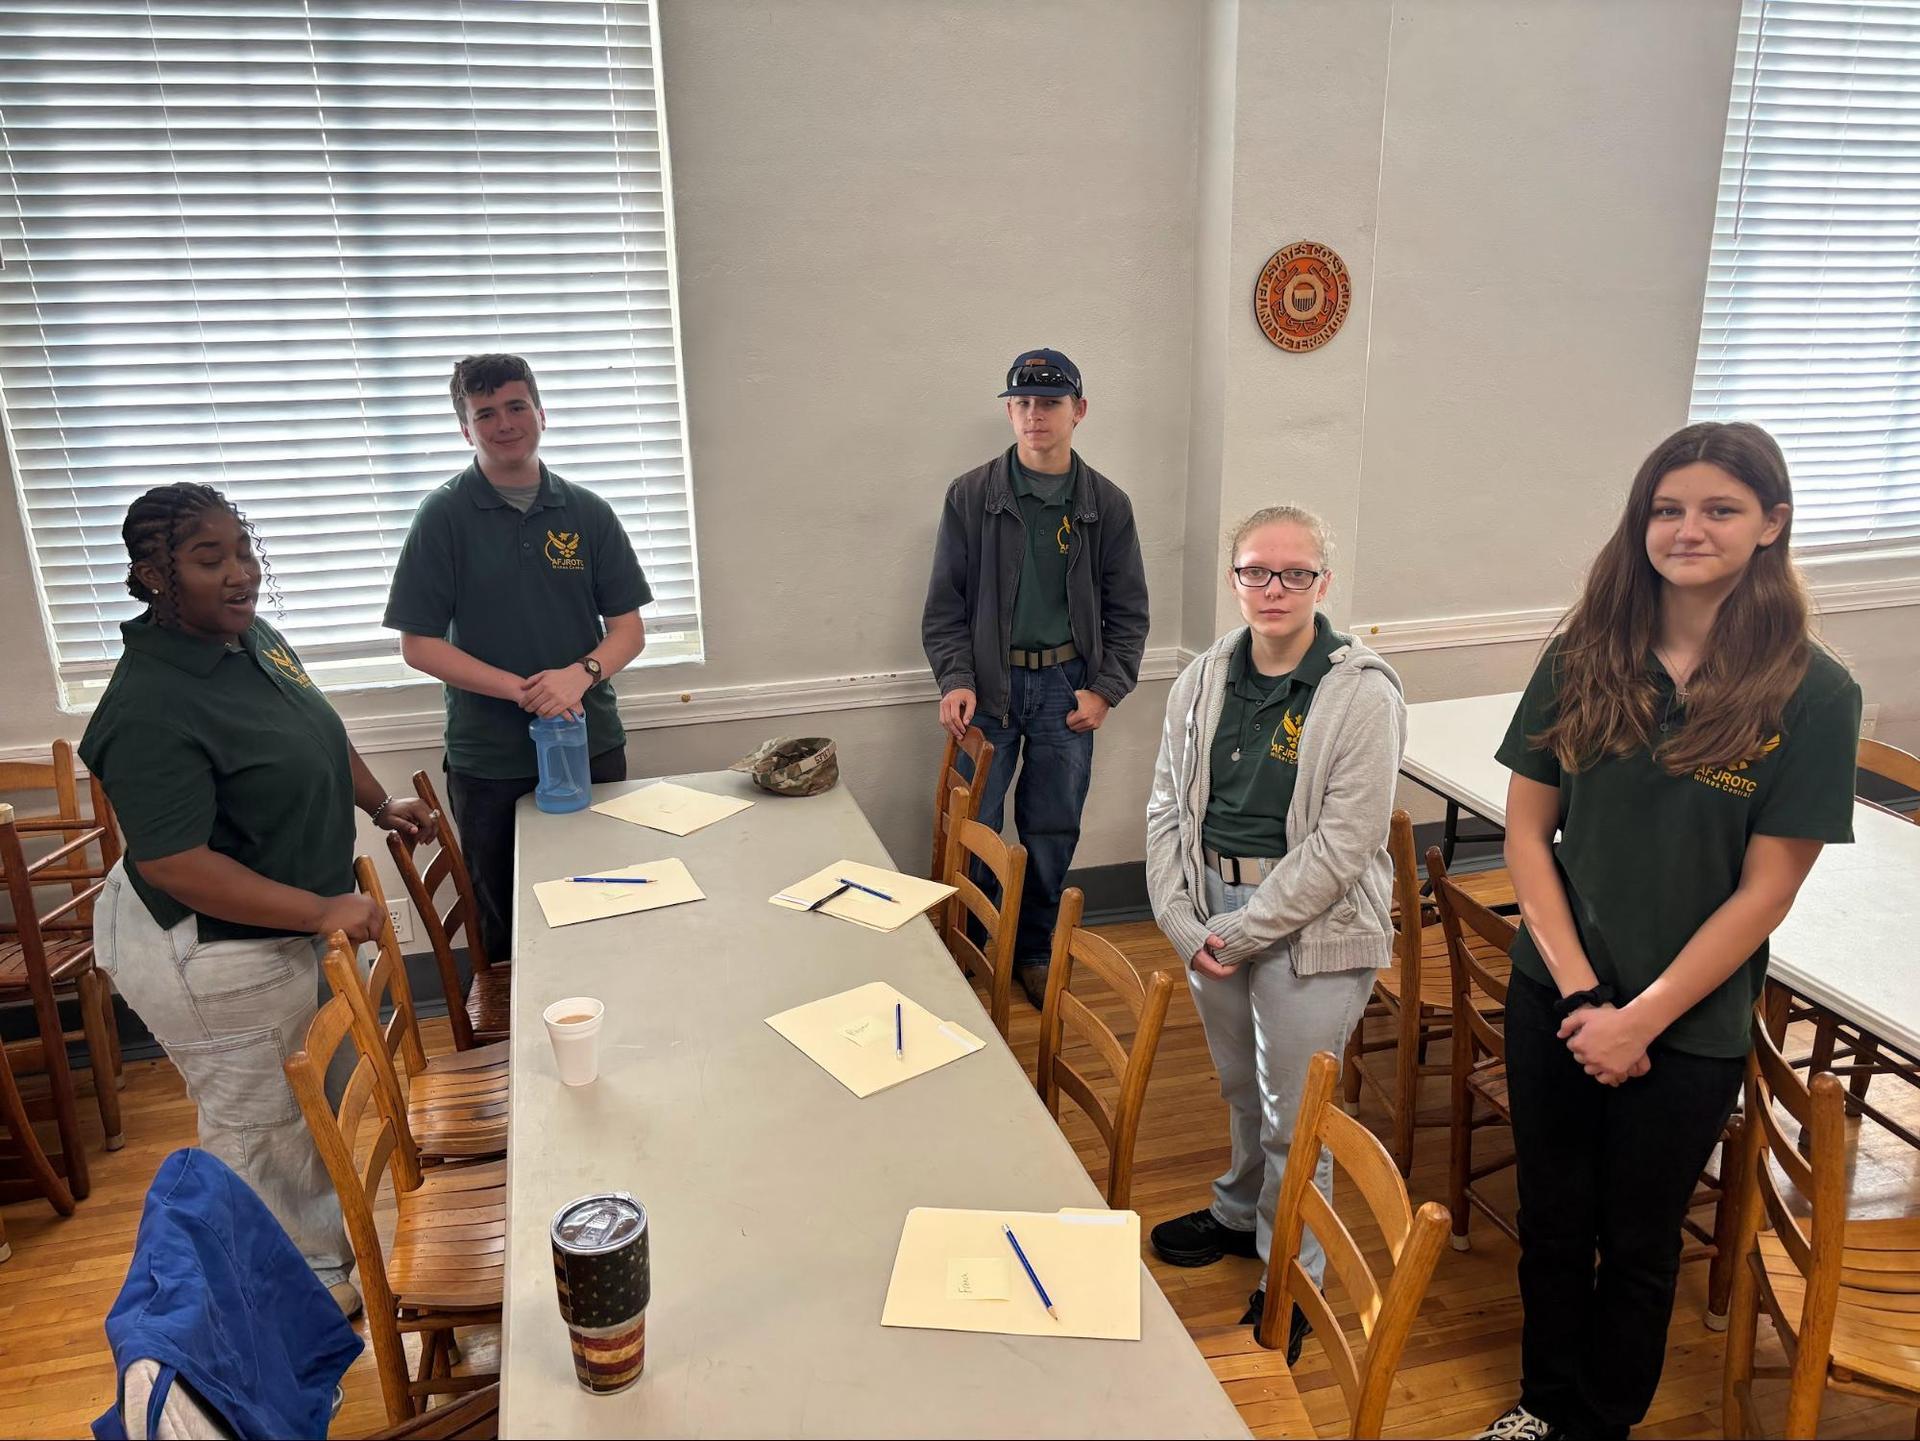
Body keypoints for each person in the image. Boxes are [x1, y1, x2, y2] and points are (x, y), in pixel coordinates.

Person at [1475, 422, 1860, 1441]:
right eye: (1667, 507)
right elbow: (1525, 830)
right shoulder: (1586, 650)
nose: (1688, 528)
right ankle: (1542, 1408)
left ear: (1772, 523)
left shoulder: (1814, 693)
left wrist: (1638, 1017)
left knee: (1639, 1243)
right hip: (1555, 997)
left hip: (1687, 1027)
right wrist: (1580, 994)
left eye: (1720, 508)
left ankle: (1600, 1424)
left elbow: (1764, 893)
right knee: (1554, 1223)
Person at [82, 482, 438, 1315]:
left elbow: (317, 728)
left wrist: (379, 803)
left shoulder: (249, 639)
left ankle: (319, 1271)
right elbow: (174, 862)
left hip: (283, 927)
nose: (240, 572)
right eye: (210, 559)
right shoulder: (148, 705)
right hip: (209, 952)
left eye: (242, 549)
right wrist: (319, 910)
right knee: (263, 1130)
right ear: (152, 575)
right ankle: (294, 1303)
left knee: (310, 1110)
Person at [1144, 505, 1405, 1361]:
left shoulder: (1360, 690)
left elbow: (1343, 845)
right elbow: (1164, 803)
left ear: (1324, 582)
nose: (1274, 588)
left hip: (1310, 924)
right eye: (1257, 570)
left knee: (1297, 1112)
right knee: (1240, 1085)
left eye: (1295, 573)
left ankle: (1292, 1271)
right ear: (1235, 579)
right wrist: (1182, 917)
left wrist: (1245, 928)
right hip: (1214, 907)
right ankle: (1235, 1208)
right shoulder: (1206, 676)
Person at [384, 354, 652, 963]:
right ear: (466, 429)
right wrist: (522, 690)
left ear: (540, 413)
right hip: (490, 759)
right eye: (485, 414)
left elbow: (628, 632)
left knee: (608, 902)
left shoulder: (587, 513)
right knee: (509, 923)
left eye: (515, 407)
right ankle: (522, 1051)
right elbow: (418, 645)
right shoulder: (442, 517)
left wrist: (578, 677)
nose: (504, 424)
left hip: (589, 744)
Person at [921, 348, 1149, 1007]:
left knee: (1052, 830)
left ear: (1078, 411)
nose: (1032, 415)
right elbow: (944, 606)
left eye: (1048, 403)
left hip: (1064, 692)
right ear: (1009, 410)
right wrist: (955, 677)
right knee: (979, 832)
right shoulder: (973, 496)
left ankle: (1032, 949)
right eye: (1020, 402)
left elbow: (1129, 610)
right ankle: (972, 951)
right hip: (986, 691)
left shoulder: (1106, 505)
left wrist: (1106, 689)